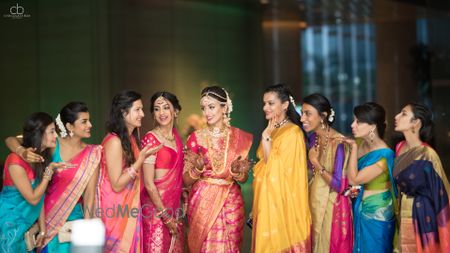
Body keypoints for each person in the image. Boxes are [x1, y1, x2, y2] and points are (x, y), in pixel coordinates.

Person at [5, 102, 102, 253]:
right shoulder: (52, 143)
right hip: (45, 215)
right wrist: (21, 151)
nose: (90, 125)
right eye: (84, 121)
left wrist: (87, 229)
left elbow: (89, 195)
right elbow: (11, 139)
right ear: (70, 126)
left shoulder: (92, 154)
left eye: (89, 120)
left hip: (73, 219)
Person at [183, 86, 253, 253]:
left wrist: (238, 172)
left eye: (211, 107)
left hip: (231, 202)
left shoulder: (239, 138)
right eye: (204, 108)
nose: (206, 112)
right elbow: (185, 180)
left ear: (224, 107)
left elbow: (243, 179)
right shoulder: (195, 138)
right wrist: (197, 169)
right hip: (202, 202)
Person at [97, 90, 160, 253]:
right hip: (115, 213)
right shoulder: (114, 141)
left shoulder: (131, 139)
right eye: (137, 109)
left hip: (128, 209)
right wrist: (140, 161)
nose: (143, 114)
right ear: (123, 112)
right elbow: (117, 185)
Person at [252, 84, 311, 252]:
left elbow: (276, 171)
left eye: (270, 103)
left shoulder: (293, 133)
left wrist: (265, 138)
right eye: (264, 103)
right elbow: (264, 166)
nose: (265, 107)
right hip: (267, 203)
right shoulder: (274, 129)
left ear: (285, 105)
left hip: (282, 207)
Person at [0, 112, 67, 252]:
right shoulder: (15, 160)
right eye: (52, 131)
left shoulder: (39, 159)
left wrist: (42, 229)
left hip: (27, 227)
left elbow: (40, 195)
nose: (56, 136)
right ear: (39, 134)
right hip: (9, 225)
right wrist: (48, 172)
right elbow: (33, 198)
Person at [393, 103, 450, 252]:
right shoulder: (399, 147)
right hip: (403, 212)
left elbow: (442, 194)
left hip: (424, 215)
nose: (396, 116)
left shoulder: (428, 155)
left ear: (416, 123)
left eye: (403, 113)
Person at [301, 93, 353, 253]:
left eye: (307, 114)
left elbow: (339, 185)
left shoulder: (339, 143)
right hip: (314, 203)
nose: (302, 118)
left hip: (332, 209)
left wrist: (316, 163)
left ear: (323, 116)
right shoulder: (312, 139)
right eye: (302, 113)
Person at [343, 102, 397, 253]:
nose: (353, 125)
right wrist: (345, 201)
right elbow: (351, 184)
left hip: (376, 212)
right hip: (358, 206)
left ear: (372, 126)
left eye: (358, 121)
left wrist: (353, 148)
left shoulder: (385, 155)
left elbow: (355, 179)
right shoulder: (361, 143)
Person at [140, 92, 184, 252]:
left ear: (176, 111)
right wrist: (165, 216)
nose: (162, 113)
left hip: (174, 208)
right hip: (155, 211)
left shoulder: (176, 139)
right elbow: (149, 183)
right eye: (157, 109)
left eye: (166, 107)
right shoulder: (151, 138)